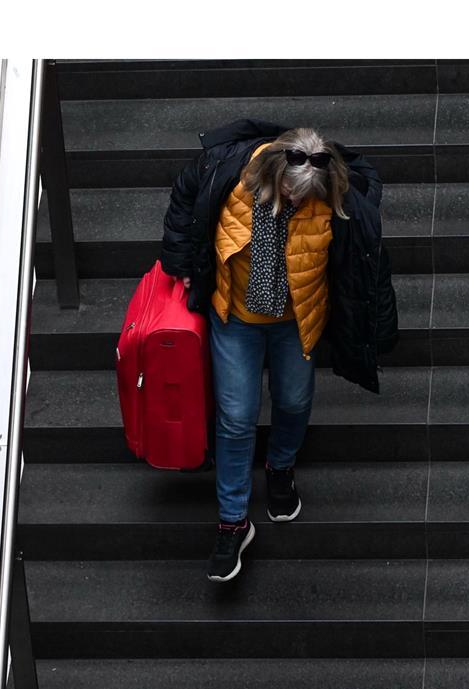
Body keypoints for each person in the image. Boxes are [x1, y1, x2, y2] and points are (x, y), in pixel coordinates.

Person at [159, 119, 397, 583]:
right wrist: (181, 263)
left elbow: (364, 263)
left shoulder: (333, 199)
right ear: (271, 170)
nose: (294, 201)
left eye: (304, 197)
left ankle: (280, 466)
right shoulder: (226, 172)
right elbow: (184, 198)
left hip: (295, 320)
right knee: (235, 417)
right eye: (288, 192)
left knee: (293, 401)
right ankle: (232, 521)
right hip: (235, 319)